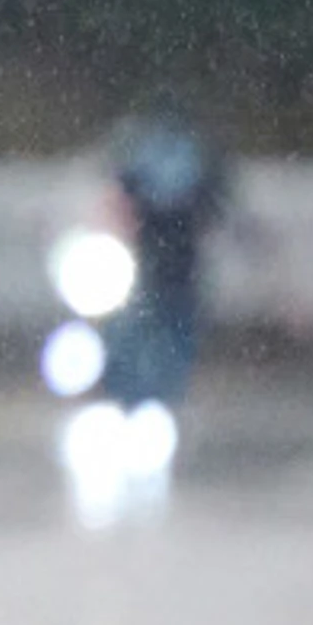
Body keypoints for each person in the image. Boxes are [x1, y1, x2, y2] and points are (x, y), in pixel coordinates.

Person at [103, 100, 235, 411]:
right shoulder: (197, 155)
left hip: (158, 265)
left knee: (146, 339)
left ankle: (142, 402)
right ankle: (153, 402)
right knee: (158, 342)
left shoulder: (142, 152)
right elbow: (216, 212)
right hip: (167, 266)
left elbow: (120, 198)